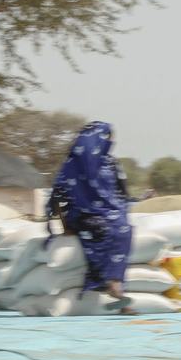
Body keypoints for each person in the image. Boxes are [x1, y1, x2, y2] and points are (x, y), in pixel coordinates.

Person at [46, 121, 136, 314]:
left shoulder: (111, 164)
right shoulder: (73, 165)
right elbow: (58, 197)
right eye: (108, 138)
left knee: (124, 229)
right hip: (81, 216)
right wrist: (64, 227)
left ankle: (114, 283)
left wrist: (120, 211)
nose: (111, 143)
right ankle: (111, 285)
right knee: (104, 231)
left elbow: (122, 193)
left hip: (110, 213)